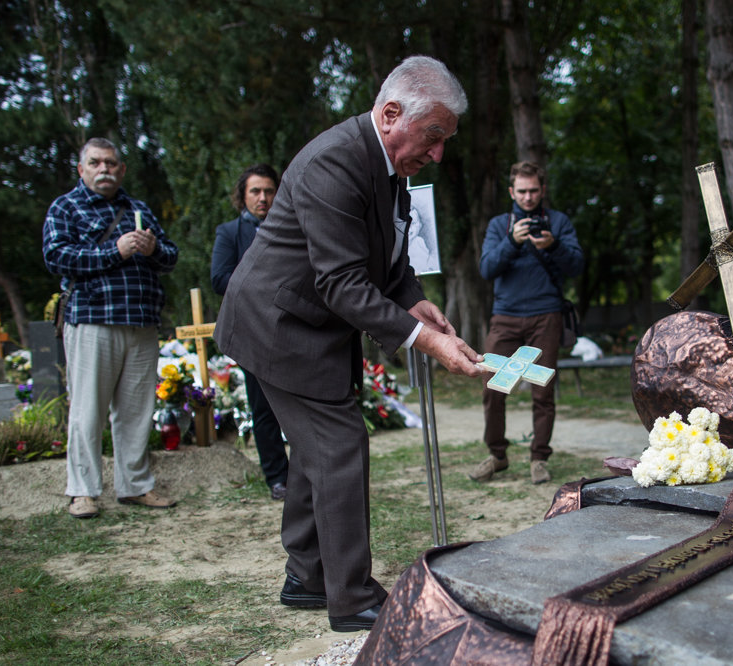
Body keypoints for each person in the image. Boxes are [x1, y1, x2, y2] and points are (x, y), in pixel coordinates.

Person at [213, 55, 482, 632]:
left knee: (318, 452)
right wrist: (424, 341)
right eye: (434, 137)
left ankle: (307, 576)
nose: (438, 154)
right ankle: (352, 597)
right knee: (338, 445)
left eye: (444, 141)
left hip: (311, 325)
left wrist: (413, 301)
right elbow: (340, 280)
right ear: (390, 114)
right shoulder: (334, 161)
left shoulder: (390, 167)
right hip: (278, 327)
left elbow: (390, 254)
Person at [42, 137, 180, 519]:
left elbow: (171, 256)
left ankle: (134, 486)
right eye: (95, 162)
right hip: (92, 320)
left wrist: (152, 250)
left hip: (141, 321)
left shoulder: (137, 208)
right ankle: (83, 491)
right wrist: (114, 250)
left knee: (136, 412)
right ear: (82, 169)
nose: (104, 169)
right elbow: (56, 257)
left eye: (111, 163)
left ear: (121, 169)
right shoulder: (65, 207)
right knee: (88, 410)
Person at [472, 161, 584, 485]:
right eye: (522, 191)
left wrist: (553, 246)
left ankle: (539, 458)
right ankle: (497, 455)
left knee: (542, 389)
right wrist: (511, 242)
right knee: (494, 386)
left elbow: (576, 265)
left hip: (546, 316)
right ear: (512, 191)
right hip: (505, 318)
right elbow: (486, 269)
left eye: (534, 190)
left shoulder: (558, 222)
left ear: (542, 190)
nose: (528, 197)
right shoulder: (499, 225)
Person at [211, 164, 290, 500]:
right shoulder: (230, 233)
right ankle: (277, 477)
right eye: (255, 191)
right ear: (242, 197)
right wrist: (262, 285)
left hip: (292, 329)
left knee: (298, 407)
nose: (263, 198)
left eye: (269, 191)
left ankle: (306, 474)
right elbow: (219, 278)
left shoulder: (292, 226)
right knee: (264, 407)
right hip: (253, 333)